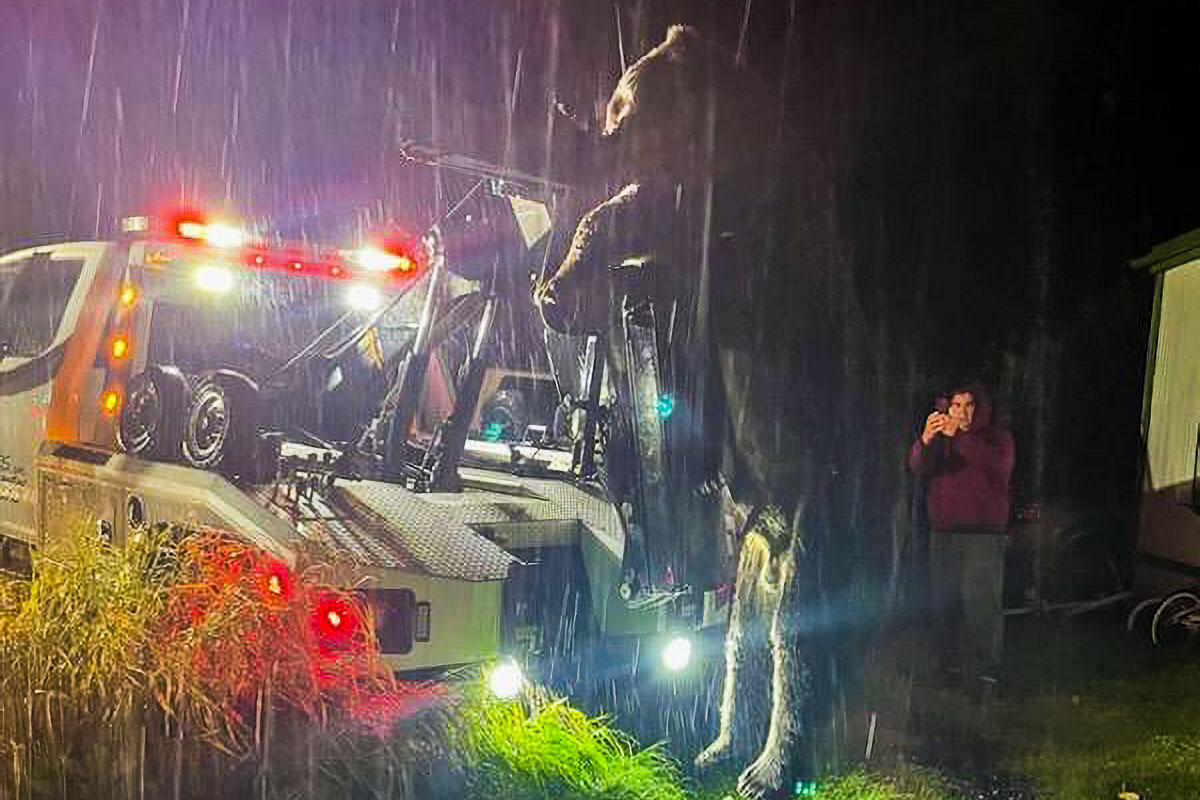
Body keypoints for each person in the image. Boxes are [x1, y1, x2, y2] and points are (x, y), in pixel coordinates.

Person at [908, 381, 1015, 685]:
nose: (963, 413)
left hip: (983, 535)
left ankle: (986, 670)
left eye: (970, 405)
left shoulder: (998, 439)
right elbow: (918, 466)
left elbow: (993, 462)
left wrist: (960, 437)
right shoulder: (944, 439)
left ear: (981, 408)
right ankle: (947, 664)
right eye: (956, 406)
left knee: (981, 602)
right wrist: (926, 440)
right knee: (944, 601)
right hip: (944, 532)